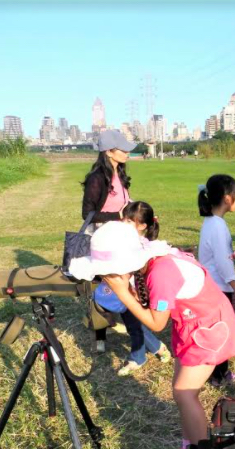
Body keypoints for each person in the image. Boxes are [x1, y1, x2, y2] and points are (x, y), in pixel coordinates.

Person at [70, 221, 235, 449]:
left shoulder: (160, 272)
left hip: (208, 330)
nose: (105, 277)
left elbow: (155, 322)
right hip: (191, 326)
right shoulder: (148, 263)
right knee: (180, 393)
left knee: (185, 394)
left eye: (106, 272)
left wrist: (122, 293)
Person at [92, 201, 173, 375]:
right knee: (135, 325)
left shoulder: (141, 245)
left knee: (135, 326)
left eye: (131, 221)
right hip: (123, 293)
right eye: (125, 219)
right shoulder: (121, 239)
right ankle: (158, 347)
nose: (125, 224)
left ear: (143, 225)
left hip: (134, 293)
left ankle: (138, 358)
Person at [81, 129, 137, 353]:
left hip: (120, 237)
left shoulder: (120, 174)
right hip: (103, 240)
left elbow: (124, 204)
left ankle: (126, 320)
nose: (127, 153)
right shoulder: (97, 178)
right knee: (104, 286)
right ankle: (100, 335)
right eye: (122, 149)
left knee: (124, 281)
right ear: (109, 151)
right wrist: (119, 217)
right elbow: (87, 214)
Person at [197, 174, 235, 386]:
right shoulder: (218, 225)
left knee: (223, 329)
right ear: (228, 199)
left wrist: (234, 256)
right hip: (219, 289)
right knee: (223, 331)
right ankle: (217, 375)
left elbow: (220, 256)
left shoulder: (211, 222)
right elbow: (221, 262)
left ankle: (218, 372)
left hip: (213, 286)